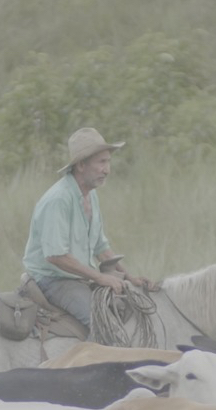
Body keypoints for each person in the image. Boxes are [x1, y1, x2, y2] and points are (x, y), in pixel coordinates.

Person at [22, 127, 155, 330]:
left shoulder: (91, 195)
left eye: (108, 162)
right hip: (52, 280)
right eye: (101, 162)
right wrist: (100, 277)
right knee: (104, 325)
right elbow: (56, 256)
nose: (107, 170)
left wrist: (129, 277)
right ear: (81, 165)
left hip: (77, 278)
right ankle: (92, 362)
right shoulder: (58, 200)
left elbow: (101, 248)